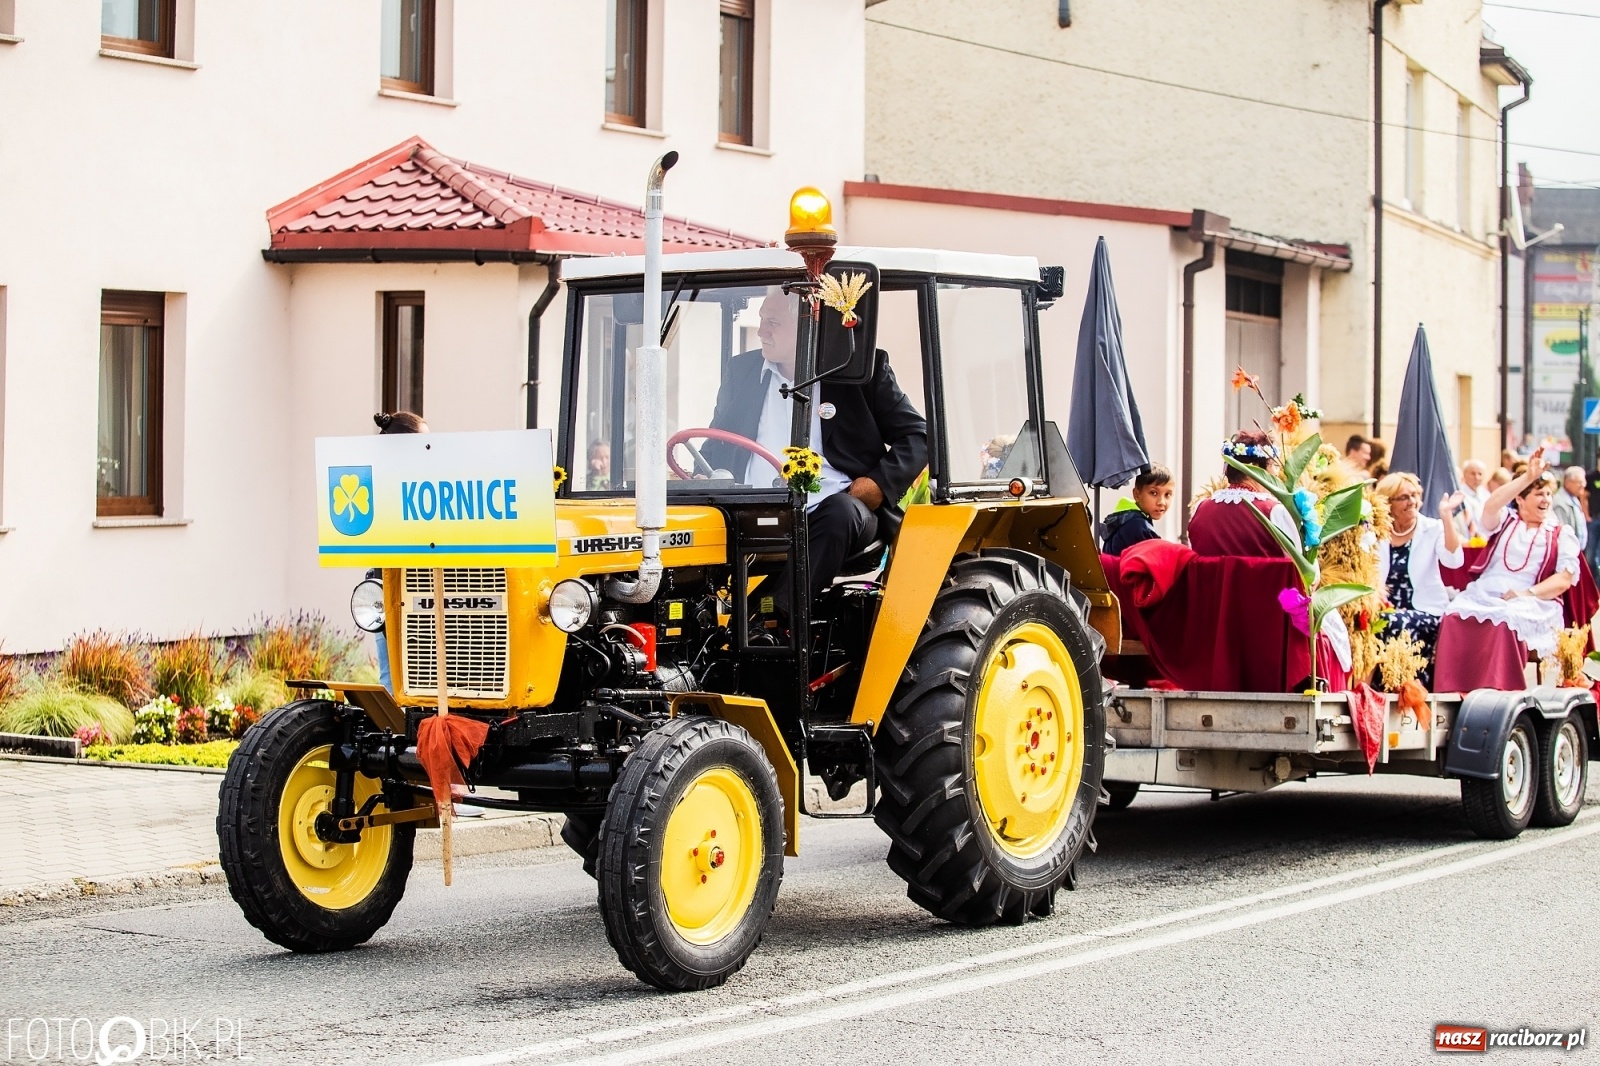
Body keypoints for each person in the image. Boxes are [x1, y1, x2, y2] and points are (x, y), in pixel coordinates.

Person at [703, 290, 927, 614]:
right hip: (754, 511)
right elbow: (718, 443)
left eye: (773, 323)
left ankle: (775, 620)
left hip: (837, 511)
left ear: (808, 325)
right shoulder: (742, 372)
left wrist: (877, 484)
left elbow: (918, 436)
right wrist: (700, 474)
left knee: (840, 513)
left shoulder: (861, 370)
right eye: (762, 319)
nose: (762, 330)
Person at [1434, 455, 1580, 691]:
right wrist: (1527, 477)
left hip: (1534, 599)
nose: (1546, 500)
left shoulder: (1560, 533)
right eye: (1539, 494)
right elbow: (1491, 505)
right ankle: (1451, 690)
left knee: (1505, 620)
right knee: (1453, 614)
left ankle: (1498, 691)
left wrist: (1527, 592)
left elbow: (1564, 579)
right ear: (1520, 499)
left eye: (1548, 495)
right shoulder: (1505, 521)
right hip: (1486, 591)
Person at [1374, 473, 1456, 687]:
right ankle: (1374, 690)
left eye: (1415, 495)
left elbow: (1454, 560)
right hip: (1385, 608)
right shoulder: (1375, 531)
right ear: (1388, 502)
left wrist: (1447, 518)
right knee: (1370, 625)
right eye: (1403, 497)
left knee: (1395, 624)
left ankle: (1404, 688)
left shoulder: (1433, 528)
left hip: (1425, 610)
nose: (1412, 502)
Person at [370, 411, 428, 694]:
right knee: (394, 682)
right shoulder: (386, 488)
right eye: (424, 444)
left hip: (419, 595)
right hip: (394, 593)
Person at [1188, 431, 1299, 557]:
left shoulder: (1200, 509)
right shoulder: (1274, 511)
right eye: (1274, 465)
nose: (1276, 473)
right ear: (1255, 468)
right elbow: (1299, 571)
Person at [1101, 465, 1173, 556]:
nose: (1161, 502)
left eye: (1167, 495)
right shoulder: (1138, 527)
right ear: (1137, 494)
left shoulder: (1124, 519)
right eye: (1154, 493)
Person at [1554, 465, 1589, 555]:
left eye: (1584, 481)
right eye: (1580, 482)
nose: (1583, 485)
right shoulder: (1560, 503)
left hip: (1576, 551)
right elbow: (1562, 534)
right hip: (1567, 553)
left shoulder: (1574, 498)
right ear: (1568, 483)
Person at [1459, 459, 1489, 536]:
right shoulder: (1459, 495)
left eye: (1480, 474)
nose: (1476, 477)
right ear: (1464, 474)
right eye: (1473, 473)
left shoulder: (1486, 494)